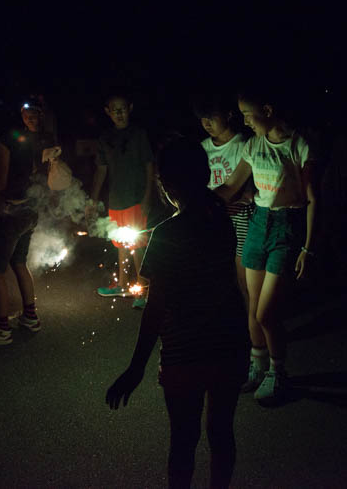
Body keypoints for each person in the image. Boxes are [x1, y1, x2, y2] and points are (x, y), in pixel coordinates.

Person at [106, 136, 249, 489]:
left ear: (165, 185)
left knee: (183, 442)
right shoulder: (221, 219)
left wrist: (136, 367)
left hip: (185, 353)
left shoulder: (168, 233)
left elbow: (156, 309)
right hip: (230, 344)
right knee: (221, 432)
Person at [214, 85, 320, 404]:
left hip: (286, 227)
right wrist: (193, 201)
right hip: (258, 224)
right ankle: (257, 365)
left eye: (248, 113)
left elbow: (314, 199)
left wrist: (308, 248)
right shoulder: (254, 145)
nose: (245, 121)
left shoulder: (298, 145)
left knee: (266, 313)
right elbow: (231, 186)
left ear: (268, 110)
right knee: (252, 306)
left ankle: (278, 372)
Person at [0, 102, 60, 346]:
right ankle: (30, 318)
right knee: (18, 261)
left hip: (14, 211)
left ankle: (2, 331)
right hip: (32, 209)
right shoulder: (31, 137)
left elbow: (1, 183)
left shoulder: (7, 139)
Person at [88, 92, 155, 308]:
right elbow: (101, 169)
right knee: (120, 243)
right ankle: (124, 285)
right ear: (107, 112)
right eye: (114, 109)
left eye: (122, 108)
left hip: (136, 197)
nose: (119, 112)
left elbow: (149, 166)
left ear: (130, 108)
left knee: (137, 242)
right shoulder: (104, 138)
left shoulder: (139, 134)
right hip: (116, 199)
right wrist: (93, 199)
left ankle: (142, 290)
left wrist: (147, 197)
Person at [193, 93, 255, 309]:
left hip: (239, 216)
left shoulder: (243, 145)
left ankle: (252, 325)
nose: (206, 123)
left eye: (212, 117)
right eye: (202, 118)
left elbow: (248, 186)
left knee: (243, 277)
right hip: (212, 217)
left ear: (228, 115)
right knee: (214, 274)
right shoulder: (201, 148)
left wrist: (248, 197)